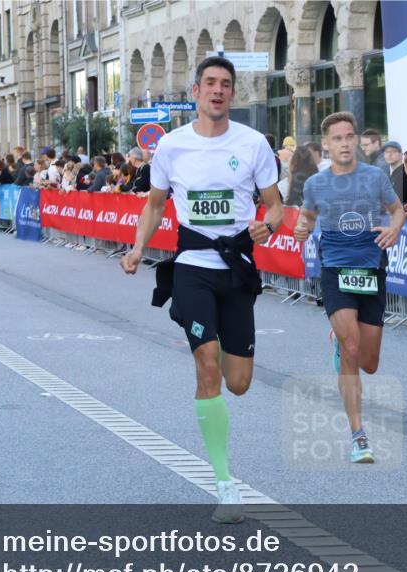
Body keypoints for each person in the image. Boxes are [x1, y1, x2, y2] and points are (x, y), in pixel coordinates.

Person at [120, 56, 283, 523]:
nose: (217, 90)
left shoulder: (253, 143)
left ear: (233, 93)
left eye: (225, 84)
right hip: (192, 265)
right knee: (207, 361)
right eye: (210, 83)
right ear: (195, 91)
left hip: (237, 267)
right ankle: (225, 484)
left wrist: (268, 226)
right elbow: (155, 206)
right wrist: (138, 247)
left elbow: (275, 205)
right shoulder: (172, 146)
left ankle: (225, 375)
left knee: (240, 383)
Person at [294, 111, 404, 464]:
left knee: (369, 363)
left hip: (371, 269)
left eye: (349, 136)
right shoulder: (315, 184)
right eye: (337, 138)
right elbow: (307, 218)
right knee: (352, 346)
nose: (344, 143)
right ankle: (359, 436)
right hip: (335, 270)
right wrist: (301, 229)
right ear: (326, 144)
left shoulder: (375, 177)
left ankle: (342, 345)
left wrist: (395, 228)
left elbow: (397, 210)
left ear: (356, 140)